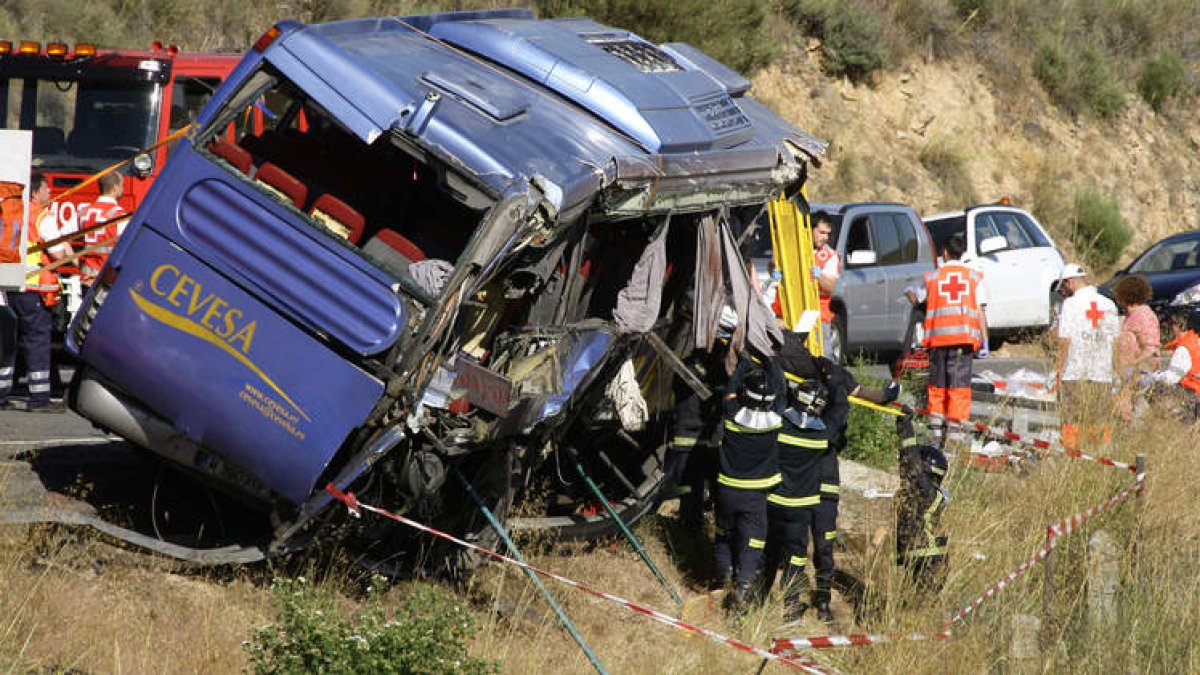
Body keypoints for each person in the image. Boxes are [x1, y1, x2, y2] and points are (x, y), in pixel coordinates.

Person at [764, 327, 899, 623]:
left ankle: (822, 601)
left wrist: (834, 377)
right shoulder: (815, 424)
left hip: (823, 490)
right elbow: (839, 408)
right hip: (803, 495)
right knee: (792, 548)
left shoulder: (823, 426)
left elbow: (838, 411)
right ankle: (790, 601)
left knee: (823, 547)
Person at [715, 354, 784, 615]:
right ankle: (742, 589)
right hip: (755, 497)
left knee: (724, 534)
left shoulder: (732, 415)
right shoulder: (775, 420)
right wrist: (771, 361)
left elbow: (730, 390)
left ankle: (722, 578)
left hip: (727, 491)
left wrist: (743, 363)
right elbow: (783, 390)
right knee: (753, 541)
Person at [905, 233, 986, 445]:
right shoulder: (974, 278)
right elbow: (979, 310)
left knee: (938, 386)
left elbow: (916, 297)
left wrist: (908, 292)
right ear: (963, 254)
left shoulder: (932, 277)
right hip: (963, 340)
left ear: (944, 253)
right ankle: (956, 436)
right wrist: (984, 339)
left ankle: (935, 433)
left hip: (938, 341)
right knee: (958, 387)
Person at [0, 173, 64, 412]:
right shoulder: (42, 217)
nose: (50, 193)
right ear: (36, 192)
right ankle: (39, 398)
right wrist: (68, 254)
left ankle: (1, 394)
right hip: (34, 287)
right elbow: (58, 253)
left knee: (8, 340)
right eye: (47, 189)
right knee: (36, 340)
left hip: (10, 284)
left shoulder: (12, 210)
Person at [1055, 263, 1119, 448]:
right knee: (1099, 419)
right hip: (1102, 372)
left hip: (1075, 371)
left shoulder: (1070, 304)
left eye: (1064, 287)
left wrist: (1057, 370)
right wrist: (1114, 371)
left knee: (1071, 418)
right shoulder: (1108, 304)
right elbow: (1114, 341)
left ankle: (1072, 453)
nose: (1064, 292)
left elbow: (1065, 341)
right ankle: (1100, 452)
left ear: (1069, 282)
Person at [894, 409, 950, 593]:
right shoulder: (926, 492)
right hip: (927, 556)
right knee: (918, 602)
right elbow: (908, 465)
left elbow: (910, 459)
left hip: (927, 556)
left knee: (922, 601)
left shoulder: (925, 490)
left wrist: (905, 426)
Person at [1112, 275, 1160, 421]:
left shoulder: (1144, 316)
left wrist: (1133, 369)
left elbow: (1151, 350)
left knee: (1134, 417)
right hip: (1127, 376)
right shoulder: (1129, 317)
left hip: (1138, 378)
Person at [1144, 309, 1200, 420]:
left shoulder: (1183, 348)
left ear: (1176, 326)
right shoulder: (1196, 341)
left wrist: (1152, 376)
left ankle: (1170, 420)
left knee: (1153, 389)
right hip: (1196, 388)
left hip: (1193, 392)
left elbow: (1171, 378)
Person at [78, 171, 130, 283]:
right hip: (107, 280)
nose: (123, 189)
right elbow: (128, 250)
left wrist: (77, 263)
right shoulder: (119, 216)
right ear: (115, 188)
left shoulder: (84, 212)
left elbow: (61, 239)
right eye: (122, 185)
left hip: (87, 279)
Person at [811, 211, 841, 351]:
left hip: (818, 316)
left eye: (827, 233)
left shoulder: (830, 255)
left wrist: (817, 275)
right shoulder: (793, 248)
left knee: (823, 357)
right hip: (791, 313)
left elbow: (831, 286)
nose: (825, 237)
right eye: (821, 232)